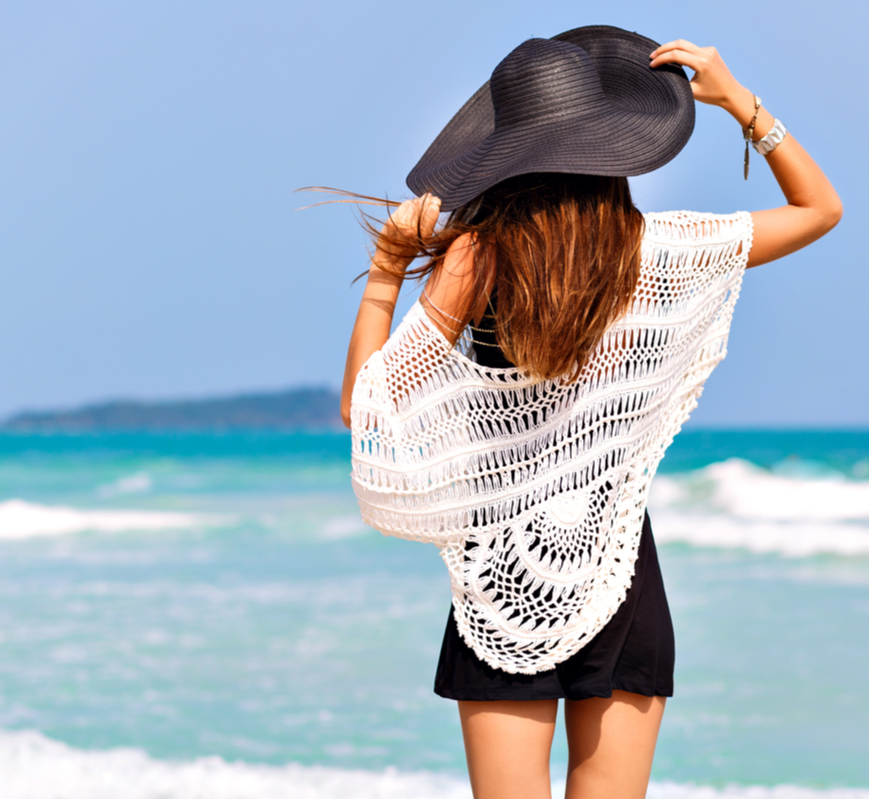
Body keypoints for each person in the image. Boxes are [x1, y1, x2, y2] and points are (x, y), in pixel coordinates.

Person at [338, 26, 840, 800]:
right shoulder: (664, 249)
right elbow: (819, 209)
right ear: (616, 147)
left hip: (501, 578)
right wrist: (742, 103)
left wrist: (388, 268)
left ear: (503, 155)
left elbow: (367, 411)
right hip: (620, 569)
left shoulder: (479, 256)